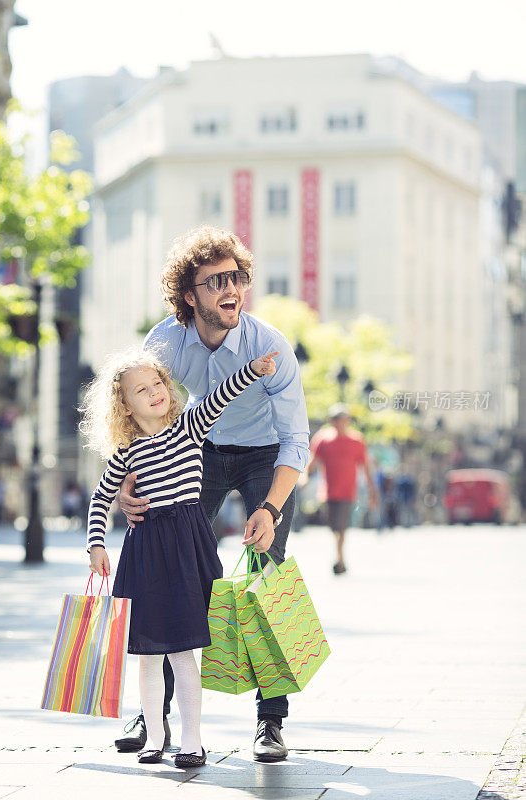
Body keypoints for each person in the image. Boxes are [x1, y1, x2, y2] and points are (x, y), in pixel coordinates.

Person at [116, 226, 309, 763]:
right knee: (164, 568)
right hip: (194, 450)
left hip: (264, 454)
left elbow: (296, 437)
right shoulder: (163, 344)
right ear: (189, 295)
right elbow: (140, 421)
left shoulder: (268, 343)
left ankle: (271, 720)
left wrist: (270, 507)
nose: (232, 289)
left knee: (267, 578)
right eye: (216, 281)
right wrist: (130, 485)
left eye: (238, 278)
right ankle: (154, 713)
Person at [81, 346, 278, 766]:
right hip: (145, 553)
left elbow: (219, 397)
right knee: (149, 653)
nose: (153, 393)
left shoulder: (189, 428)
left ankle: (193, 740)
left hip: (188, 550)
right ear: (125, 406)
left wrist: (253, 369)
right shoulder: (125, 453)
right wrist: (96, 544)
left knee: (184, 651)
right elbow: (100, 499)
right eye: (140, 390)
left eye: (157, 384)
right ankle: (154, 737)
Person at [307, 403, 377, 574]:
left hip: (347, 491)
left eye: (343, 419)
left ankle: (340, 558)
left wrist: (372, 490)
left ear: (348, 421)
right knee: (333, 526)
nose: (340, 423)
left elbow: (366, 467)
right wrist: (303, 479)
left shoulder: (356, 440)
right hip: (328, 492)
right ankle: (339, 555)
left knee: (341, 525)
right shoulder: (322, 439)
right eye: (336, 419)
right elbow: (312, 462)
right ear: (332, 421)